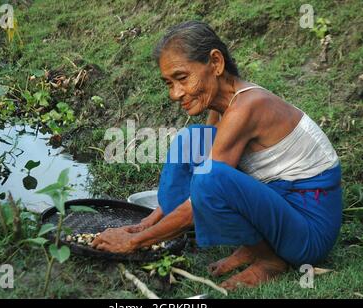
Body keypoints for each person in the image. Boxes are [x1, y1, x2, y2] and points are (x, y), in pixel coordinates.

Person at [92, 21, 342, 290]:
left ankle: (270, 260)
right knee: (191, 140)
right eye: (169, 83)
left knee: (211, 178)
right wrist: (147, 223)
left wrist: (133, 242)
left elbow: (207, 185)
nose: (175, 94)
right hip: (280, 208)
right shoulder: (223, 104)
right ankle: (252, 245)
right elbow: (199, 168)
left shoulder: (247, 107)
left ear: (216, 63)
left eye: (182, 78)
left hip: (309, 234)